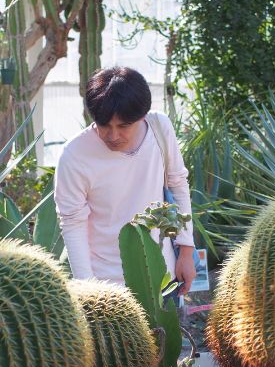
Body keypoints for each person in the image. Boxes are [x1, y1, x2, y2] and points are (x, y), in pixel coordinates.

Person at [54, 66, 196, 294]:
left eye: (123, 126)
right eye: (104, 125)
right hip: (107, 287)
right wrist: (89, 290)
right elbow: (72, 223)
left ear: (142, 116)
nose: (113, 136)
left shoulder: (159, 127)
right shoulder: (74, 154)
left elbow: (177, 184)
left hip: (163, 277)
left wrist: (186, 251)